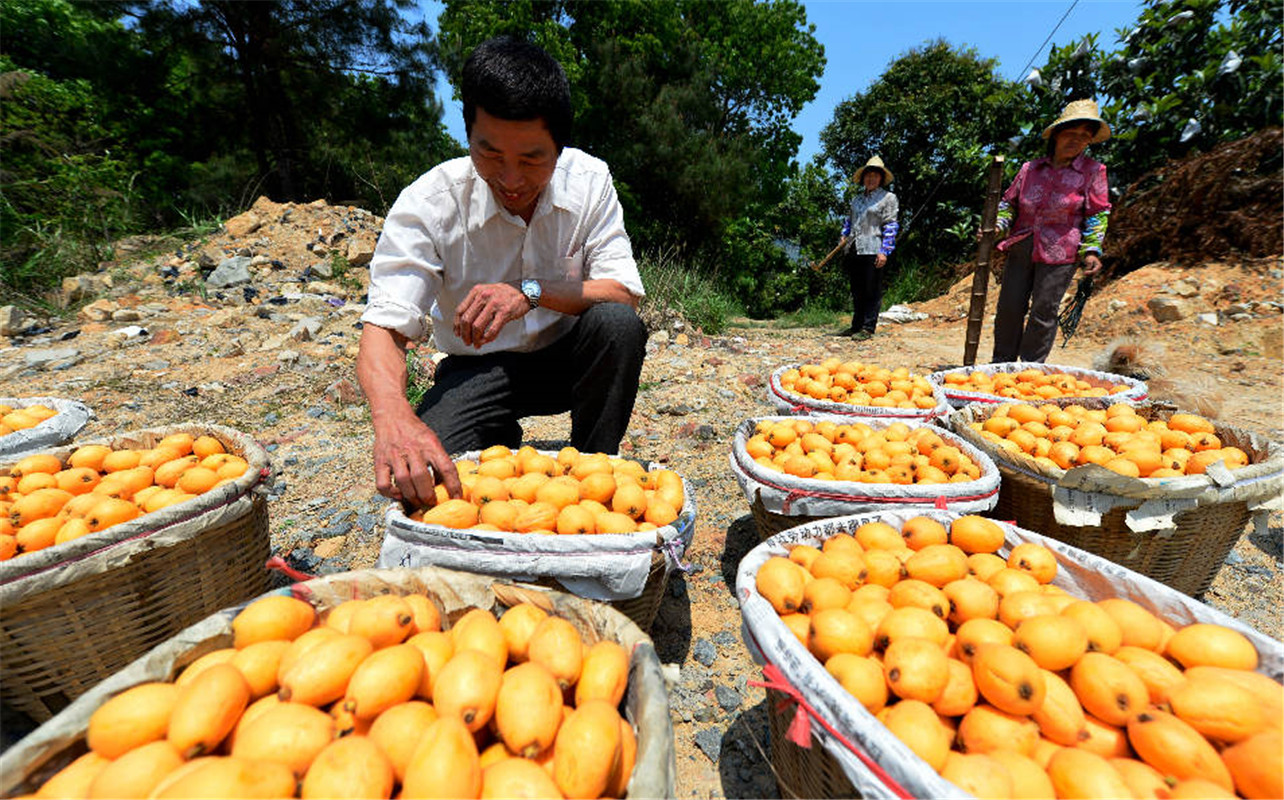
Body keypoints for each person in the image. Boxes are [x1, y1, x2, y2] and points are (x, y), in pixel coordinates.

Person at [356, 36, 647, 509]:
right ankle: (494, 432)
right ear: (468, 133)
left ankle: (597, 469)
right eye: (490, 155)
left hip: (565, 359)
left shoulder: (590, 181)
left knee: (616, 324)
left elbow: (623, 293)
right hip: (477, 368)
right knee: (433, 484)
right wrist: (392, 415)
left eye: (532, 159)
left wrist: (528, 291)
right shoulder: (428, 203)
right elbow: (385, 325)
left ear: (560, 147)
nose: (511, 180)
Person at [991, 99, 1111, 363]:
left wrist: (1092, 250)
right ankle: (1001, 365)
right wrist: (997, 227)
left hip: (1061, 252)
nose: (1076, 141)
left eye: (1084, 137)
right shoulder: (1030, 169)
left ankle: (1031, 370)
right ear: (1056, 134)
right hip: (1022, 245)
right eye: (1071, 133)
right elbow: (1008, 204)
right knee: (1009, 308)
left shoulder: (1093, 172)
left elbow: (1097, 213)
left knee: (1044, 311)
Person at [836, 156, 899, 341]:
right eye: (868, 176)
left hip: (874, 248)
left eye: (874, 176)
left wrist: (885, 251)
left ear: (880, 178)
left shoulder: (888, 198)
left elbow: (891, 225)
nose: (871, 179)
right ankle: (856, 325)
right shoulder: (856, 200)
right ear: (863, 178)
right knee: (857, 289)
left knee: (872, 290)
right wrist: (843, 235)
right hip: (855, 247)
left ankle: (868, 327)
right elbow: (850, 221)